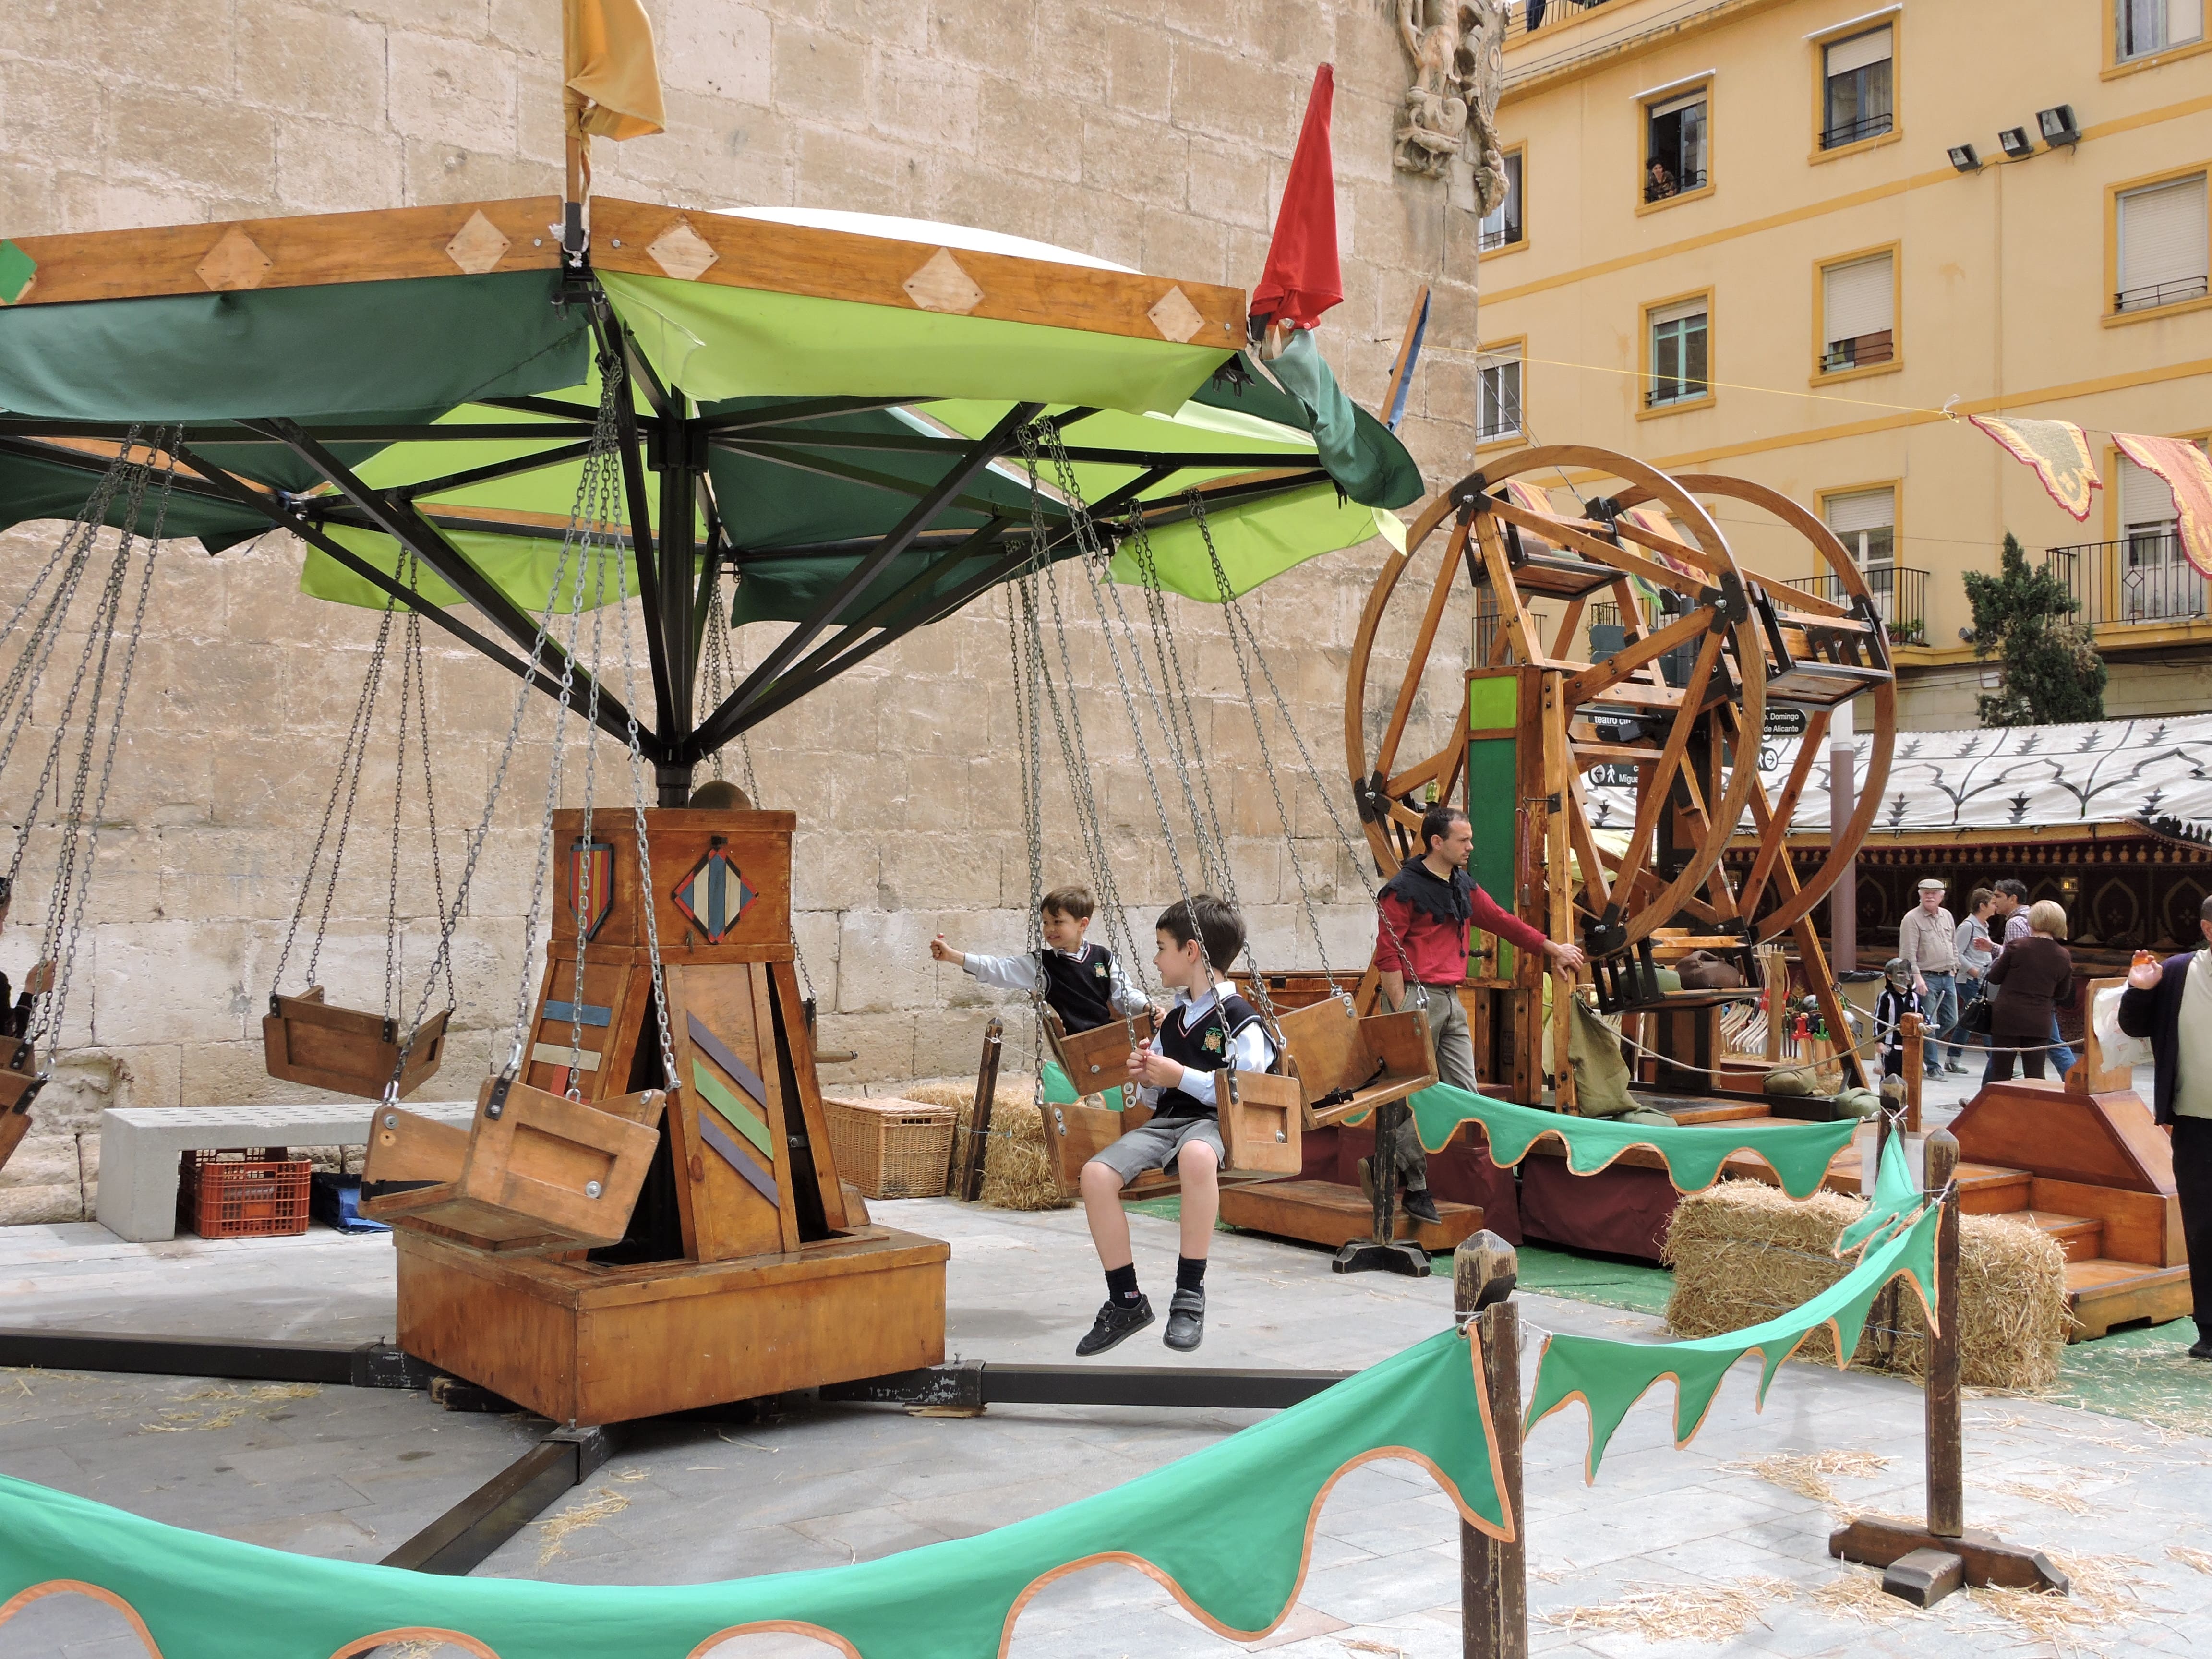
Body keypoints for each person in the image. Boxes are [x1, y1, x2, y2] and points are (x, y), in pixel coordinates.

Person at [1076, 894, 1271, 1357]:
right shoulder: (1175, 1020)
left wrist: (1177, 1075)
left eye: (1162, 947)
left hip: (1211, 1124)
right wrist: (1146, 1076)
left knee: (1197, 1155)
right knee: (1095, 1175)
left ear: (1191, 952)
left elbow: (1245, 1086)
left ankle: (1188, 1294)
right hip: (1167, 1122)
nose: (1156, 958)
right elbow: (1154, 1099)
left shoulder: (1243, 1019)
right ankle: (1125, 1299)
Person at [1373, 805, 1586, 1224]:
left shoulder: (1462, 886)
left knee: (1464, 1098)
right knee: (1405, 1095)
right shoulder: (1402, 890)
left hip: (1450, 998)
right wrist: (1400, 1016)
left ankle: (1389, 1152)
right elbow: (1388, 955)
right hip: (1414, 998)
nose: (1471, 846)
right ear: (1437, 842)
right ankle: (1416, 1187)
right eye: (1463, 840)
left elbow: (1503, 922)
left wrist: (1551, 949)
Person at [2116, 893, 2212, 1360]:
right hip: (2196, 1125)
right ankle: (2210, 1328)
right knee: (2203, 1225)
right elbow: (2134, 1025)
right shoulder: (2178, 973)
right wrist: (2139, 986)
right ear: (2209, 929)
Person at [931, 884, 1145, 1037]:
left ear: (1083, 924)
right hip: (1080, 1045)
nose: (1050, 929)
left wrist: (1147, 1007)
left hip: (1112, 1036)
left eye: (1058, 922)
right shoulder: (1042, 965)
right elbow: (998, 969)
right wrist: (954, 956)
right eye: (1045, 922)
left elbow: (1124, 994)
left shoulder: (1103, 957)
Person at [1991, 878, 2076, 1075]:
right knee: (2036, 1074)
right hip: (2039, 1019)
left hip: (2008, 1016)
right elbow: (2063, 993)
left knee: (2001, 1072)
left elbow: (1994, 977)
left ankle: (1995, 1105)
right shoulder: (2062, 955)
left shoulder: (2017, 947)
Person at [1897, 878, 1964, 1074]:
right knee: (1928, 1022)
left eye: (1935, 893)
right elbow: (1907, 954)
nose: (1930, 896)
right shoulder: (1912, 918)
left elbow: (1953, 943)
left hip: (1948, 975)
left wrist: (1955, 966)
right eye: (1926, 892)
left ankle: (1920, 1044)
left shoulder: (1947, 916)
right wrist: (1917, 978)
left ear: (1942, 896)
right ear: (1919, 895)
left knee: (1951, 1019)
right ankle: (1933, 1066)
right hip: (1926, 976)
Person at [1950, 887, 1996, 1063]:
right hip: (1969, 980)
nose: (1995, 907)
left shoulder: (1983, 927)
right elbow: (1957, 953)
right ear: (1983, 906)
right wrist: (1974, 971)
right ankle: (1996, 1060)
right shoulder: (1968, 926)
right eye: (1992, 903)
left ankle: (1953, 1058)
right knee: (1984, 1015)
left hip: (1982, 980)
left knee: (1970, 1017)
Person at [1874, 957, 1923, 1082]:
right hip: (1891, 1046)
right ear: (1890, 977)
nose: (1906, 976)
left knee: (1910, 1077)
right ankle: (1888, 1101)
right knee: (1890, 1078)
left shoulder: (1915, 997)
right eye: (1901, 973)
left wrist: (1926, 1026)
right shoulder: (1885, 997)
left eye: (1907, 972)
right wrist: (1879, 1041)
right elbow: (1878, 1020)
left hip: (1911, 1045)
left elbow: (1921, 1015)